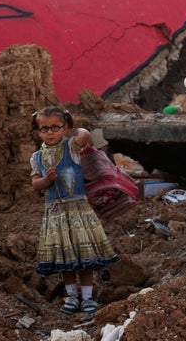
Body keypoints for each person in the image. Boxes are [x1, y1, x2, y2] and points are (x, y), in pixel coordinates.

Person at [29, 106, 120, 315]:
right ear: (37, 131)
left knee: (85, 256)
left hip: (78, 209)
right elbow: (35, 184)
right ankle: (71, 297)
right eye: (44, 129)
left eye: (55, 127)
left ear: (66, 127)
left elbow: (85, 135)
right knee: (66, 260)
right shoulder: (37, 157)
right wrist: (46, 180)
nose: (50, 132)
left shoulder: (71, 148)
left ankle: (87, 298)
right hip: (56, 214)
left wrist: (71, 123)